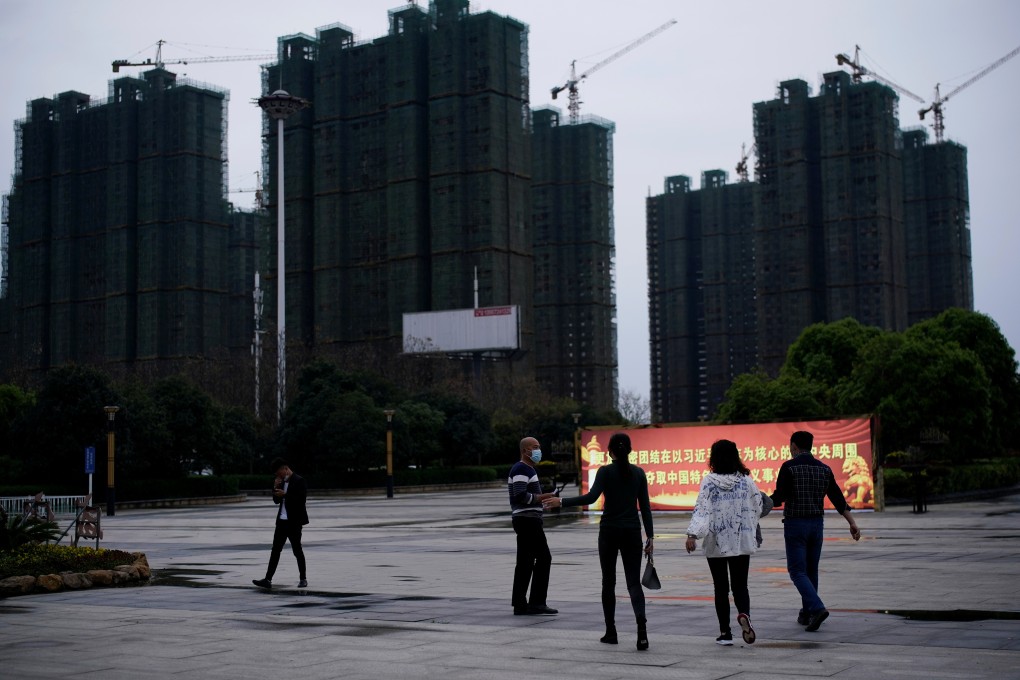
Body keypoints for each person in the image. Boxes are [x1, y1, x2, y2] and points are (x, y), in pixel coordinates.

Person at [545, 432, 654, 650]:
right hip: (632, 532)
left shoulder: (605, 472)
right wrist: (650, 537)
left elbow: (590, 498)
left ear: (610, 451)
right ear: (630, 450)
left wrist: (562, 501)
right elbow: (646, 508)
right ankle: (642, 632)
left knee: (609, 582)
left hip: (609, 532)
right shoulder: (639, 473)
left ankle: (611, 632)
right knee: (633, 583)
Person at [770, 430, 861, 632]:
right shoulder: (824, 469)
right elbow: (838, 499)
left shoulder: (789, 467)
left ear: (794, 446)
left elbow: (779, 497)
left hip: (796, 525)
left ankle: (817, 608)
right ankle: (807, 613)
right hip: (816, 526)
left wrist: (760, 504)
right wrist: (852, 523)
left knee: (796, 571)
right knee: (811, 571)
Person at [684, 439, 763, 646]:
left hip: (716, 542)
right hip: (740, 540)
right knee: (740, 586)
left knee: (720, 588)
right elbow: (758, 506)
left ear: (714, 458)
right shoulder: (746, 481)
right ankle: (744, 614)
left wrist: (692, 535)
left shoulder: (709, 481)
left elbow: (702, 510)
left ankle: (725, 633)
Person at [508, 436, 558, 616]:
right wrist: (544, 496)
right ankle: (537, 602)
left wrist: (541, 502)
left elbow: (526, 497)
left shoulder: (527, 469)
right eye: (534, 447)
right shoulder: (522, 468)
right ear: (525, 451)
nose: (538, 451)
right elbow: (520, 495)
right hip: (527, 520)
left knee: (525, 561)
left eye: (539, 447)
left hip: (525, 519)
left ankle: (520, 604)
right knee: (544, 558)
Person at [252, 458, 309, 590]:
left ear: (285, 468)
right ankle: (267, 579)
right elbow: (276, 501)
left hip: (294, 522)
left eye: (279, 473)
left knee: (297, 550)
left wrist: (286, 495)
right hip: (281, 521)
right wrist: (276, 487)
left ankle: (303, 578)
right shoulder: (281, 482)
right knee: (275, 550)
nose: (278, 476)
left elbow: (301, 501)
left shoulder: (299, 480)